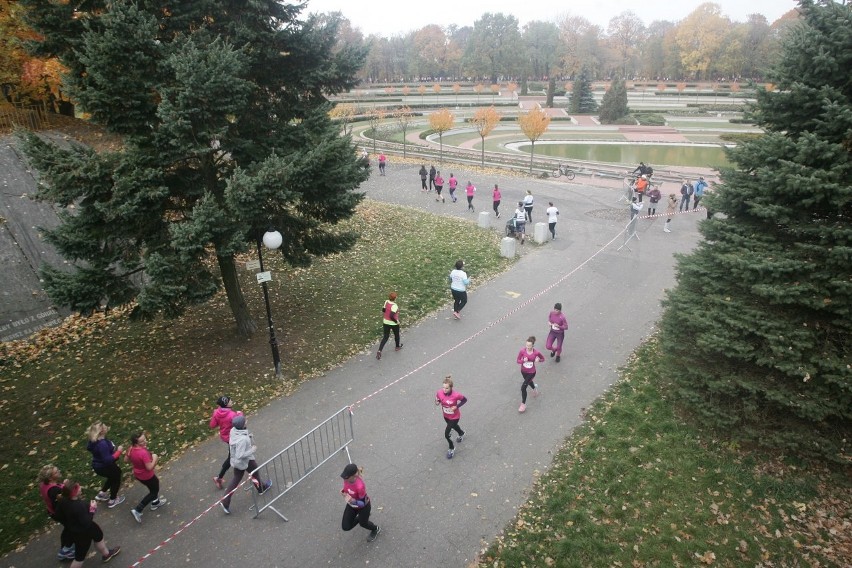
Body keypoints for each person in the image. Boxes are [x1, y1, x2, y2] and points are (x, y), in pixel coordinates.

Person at [54, 480, 121, 566]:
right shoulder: (78, 506)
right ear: (74, 493)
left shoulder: (63, 501)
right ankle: (106, 553)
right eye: (78, 488)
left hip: (76, 528)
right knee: (79, 557)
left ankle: (106, 554)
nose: (80, 488)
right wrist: (93, 509)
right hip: (83, 532)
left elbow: (58, 516)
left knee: (98, 536)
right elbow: (86, 522)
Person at [220, 415, 272, 514]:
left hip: (235, 461)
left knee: (238, 478)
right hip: (244, 461)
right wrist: (251, 450)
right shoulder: (243, 440)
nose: (246, 421)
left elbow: (239, 439)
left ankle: (225, 502)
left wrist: (248, 436)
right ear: (242, 425)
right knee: (253, 472)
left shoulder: (233, 430)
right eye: (245, 421)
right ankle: (261, 488)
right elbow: (240, 455)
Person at [126, 431, 168, 524]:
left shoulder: (131, 448)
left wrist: (136, 461)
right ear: (136, 443)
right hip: (147, 476)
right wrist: (155, 458)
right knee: (154, 491)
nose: (145, 442)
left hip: (138, 474)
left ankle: (156, 503)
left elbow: (126, 460)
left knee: (152, 487)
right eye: (142, 441)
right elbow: (149, 467)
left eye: (145, 439)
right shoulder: (143, 453)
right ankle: (138, 510)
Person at [38, 464, 75, 561]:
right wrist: (67, 487)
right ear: (50, 478)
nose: (59, 471)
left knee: (68, 528)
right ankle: (65, 551)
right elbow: (65, 499)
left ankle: (65, 546)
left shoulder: (44, 484)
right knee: (72, 528)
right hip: (60, 513)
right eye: (56, 472)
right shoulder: (54, 490)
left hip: (52, 511)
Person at [86, 422, 125, 509]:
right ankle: (113, 499)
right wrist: (118, 451)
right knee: (116, 477)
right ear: (101, 431)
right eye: (104, 426)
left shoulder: (94, 441)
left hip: (98, 465)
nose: (106, 427)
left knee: (112, 476)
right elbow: (108, 460)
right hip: (105, 466)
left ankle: (102, 493)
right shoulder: (102, 444)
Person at [340, 463, 380, 542]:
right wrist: (343, 491)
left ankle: (376, 529)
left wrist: (352, 500)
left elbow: (362, 503)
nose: (344, 479)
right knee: (346, 527)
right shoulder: (346, 479)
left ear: (353, 476)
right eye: (344, 477)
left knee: (363, 524)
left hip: (363, 507)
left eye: (346, 477)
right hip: (351, 505)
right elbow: (347, 488)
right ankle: (361, 518)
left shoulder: (360, 486)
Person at [210, 395, 243, 490]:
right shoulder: (232, 415)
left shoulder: (217, 412)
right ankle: (219, 477)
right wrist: (240, 414)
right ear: (226, 404)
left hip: (225, 437)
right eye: (230, 401)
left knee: (234, 454)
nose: (231, 401)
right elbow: (239, 423)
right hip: (233, 438)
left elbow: (212, 425)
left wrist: (215, 416)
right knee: (232, 456)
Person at [435, 376, 467, 459]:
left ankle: (451, 448)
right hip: (446, 416)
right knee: (454, 427)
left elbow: (464, 400)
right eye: (443, 387)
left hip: (454, 417)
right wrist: (437, 401)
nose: (444, 390)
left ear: (451, 387)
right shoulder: (439, 392)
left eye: (446, 388)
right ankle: (461, 433)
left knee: (446, 434)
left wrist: (456, 406)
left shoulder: (456, 395)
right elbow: (438, 398)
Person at [516, 336, 545, 413]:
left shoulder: (536, 353)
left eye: (529, 346)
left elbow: (543, 359)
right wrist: (523, 361)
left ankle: (523, 404)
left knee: (523, 388)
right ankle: (534, 389)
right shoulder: (522, 351)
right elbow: (518, 361)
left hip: (531, 372)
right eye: (527, 345)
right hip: (523, 371)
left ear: (533, 346)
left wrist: (538, 360)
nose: (528, 347)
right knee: (528, 382)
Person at [376, 291, 402, 360]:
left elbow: (383, 310)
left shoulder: (386, 302)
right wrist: (397, 322)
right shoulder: (394, 306)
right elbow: (391, 316)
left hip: (385, 322)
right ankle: (397, 347)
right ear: (395, 298)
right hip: (393, 323)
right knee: (396, 335)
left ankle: (379, 350)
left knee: (385, 337)